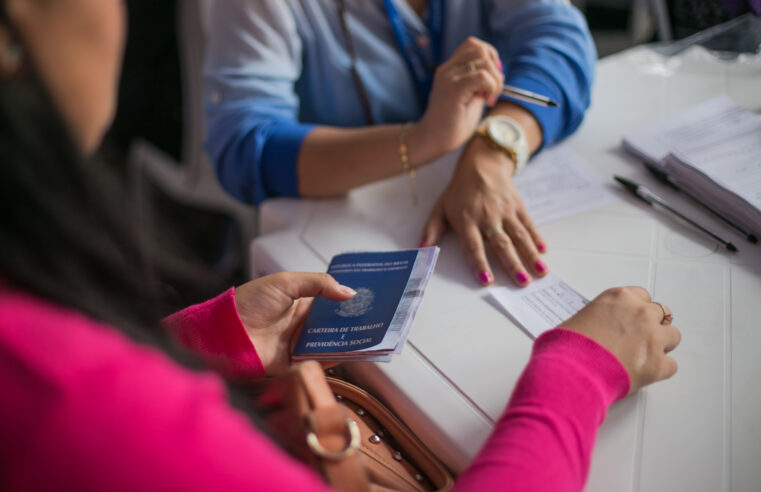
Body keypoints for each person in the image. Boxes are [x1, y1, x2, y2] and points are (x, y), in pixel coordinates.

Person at [0, 1, 681, 491]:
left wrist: (207, 338)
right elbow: (244, 146)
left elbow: (558, 37)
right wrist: (578, 373)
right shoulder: (74, 402)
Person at [203, 0, 596, 288]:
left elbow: (561, 37)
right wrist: (422, 140)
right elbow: (244, 146)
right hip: (344, 237)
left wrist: (492, 151)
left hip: (462, 202)